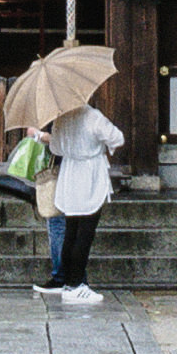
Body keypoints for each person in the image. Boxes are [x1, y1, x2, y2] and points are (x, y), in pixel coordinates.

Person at [31, 90, 122, 303]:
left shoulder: (62, 119)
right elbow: (117, 138)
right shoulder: (93, 116)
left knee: (72, 229)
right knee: (86, 231)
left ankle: (66, 279)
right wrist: (102, 146)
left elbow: (56, 147)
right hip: (90, 174)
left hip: (70, 174)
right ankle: (76, 283)